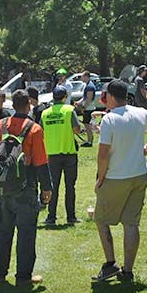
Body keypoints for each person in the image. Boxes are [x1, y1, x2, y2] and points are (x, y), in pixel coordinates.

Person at [92, 80, 147, 283]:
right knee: (131, 224)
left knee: (101, 219)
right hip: (139, 175)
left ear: (110, 96)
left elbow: (103, 155)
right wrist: (146, 148)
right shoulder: (140, 113)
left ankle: (110, 264)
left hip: (116, 176)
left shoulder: (109, 120)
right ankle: (127, 271)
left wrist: (101, 177)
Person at [0, 89, 52, 287]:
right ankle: (23, 277)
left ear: (12, 106)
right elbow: (40, 163)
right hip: (26, 188)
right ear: (29, 105)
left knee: (3, 232)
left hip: (3, 189)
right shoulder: (34, 129)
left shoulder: (0, 125)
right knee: (26, 233)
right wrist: (47, 189)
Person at [41, 86, 82, 225]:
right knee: (70, 187)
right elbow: (77, 129)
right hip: (69, 153)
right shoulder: (69, 110)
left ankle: (51, 217)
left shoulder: (45, 113)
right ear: (65, 97)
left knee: (53, 187)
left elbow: (41, 132)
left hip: (52, 154)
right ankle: (71, 217)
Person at [75, 71, 97, 147]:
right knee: (86, 124)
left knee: (87, 125)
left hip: (89, 109)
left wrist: (84, 107)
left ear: (87, 77)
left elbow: (89, 99)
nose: (81, 78)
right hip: (87, 108)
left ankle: (90, 141)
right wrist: (78, 102)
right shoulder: (87, 85)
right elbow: (84, 98)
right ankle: (89, 140)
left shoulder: (90, 86)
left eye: (82, 76)